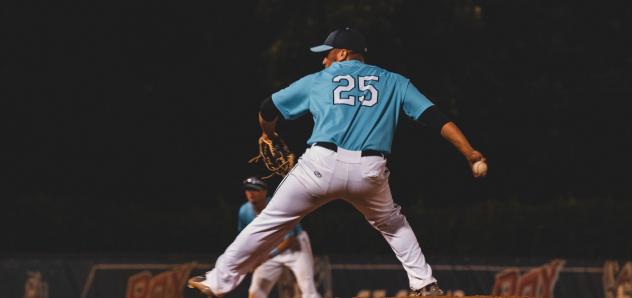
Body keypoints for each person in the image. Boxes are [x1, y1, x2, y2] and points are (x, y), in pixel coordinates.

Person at [189, 27, 487, 297]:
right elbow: (435, 118)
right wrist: (469, 152)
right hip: (369, 171)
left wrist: (269, 133)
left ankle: (218, 280)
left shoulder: (320, 79)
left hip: (320, 165)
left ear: (342, 53)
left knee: (269, 221)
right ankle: (425, 285)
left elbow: (267, 107)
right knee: (393, 224)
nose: (323, 61)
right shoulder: (395, 82)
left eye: (327, 54)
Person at [238, 176, 321, 298]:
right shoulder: (244, 211)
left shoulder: (279, 207)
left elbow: (291, 240)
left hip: (295, 248)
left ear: (265, 192)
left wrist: (264, 256)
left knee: (308, 290)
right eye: (248, 189)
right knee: (256, 292)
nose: (250, 193)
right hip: (268, 251)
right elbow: (245, 239)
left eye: (255, 189)